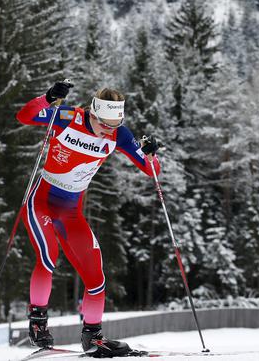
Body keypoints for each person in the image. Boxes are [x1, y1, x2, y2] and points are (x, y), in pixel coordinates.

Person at [16, 81, 160, 358]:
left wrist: (152, 154)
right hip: (41, 204)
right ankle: (37, 324)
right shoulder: (69, 117)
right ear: (93, 113)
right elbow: (24, 116)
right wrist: (47, 98)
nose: (109, 129)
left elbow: (151, 170)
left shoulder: (120, 134)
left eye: (115, 123)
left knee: (96, 276)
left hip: (71, 212)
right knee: (48, 257)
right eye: (105, 122)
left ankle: (93, 336)